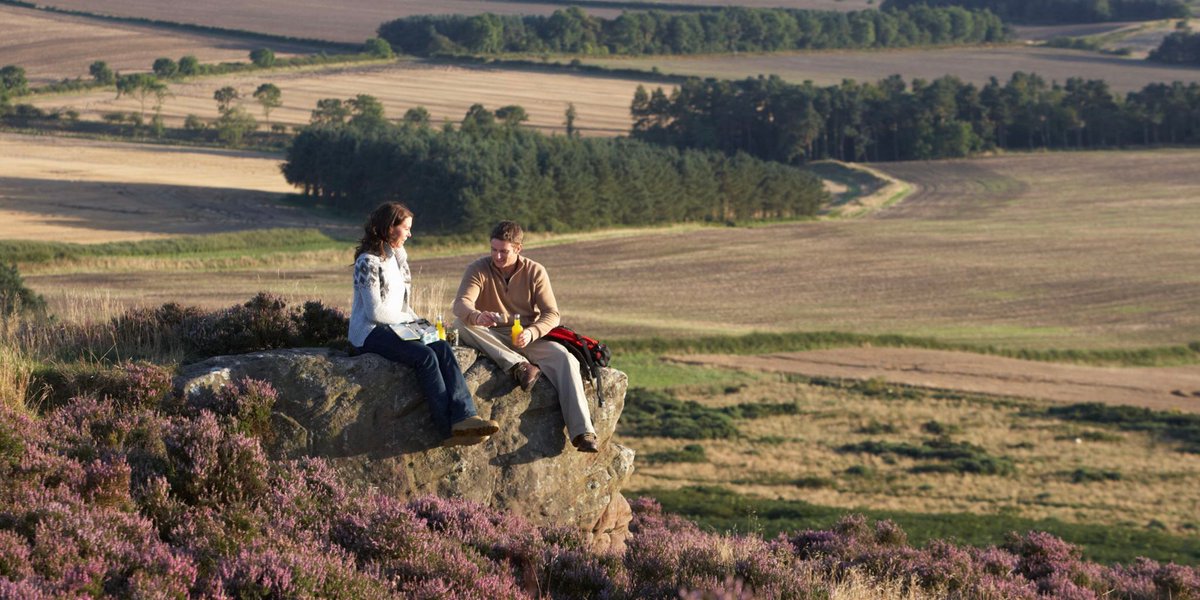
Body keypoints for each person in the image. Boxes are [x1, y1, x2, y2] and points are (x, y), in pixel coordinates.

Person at [349, 202, 499, 447]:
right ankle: (447, 430)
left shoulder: (399, 259)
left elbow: (404, 307)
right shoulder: (367, 262)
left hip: (397, 326)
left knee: (440, 345)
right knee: (425, 356)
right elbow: (375, 312)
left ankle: (466, 416)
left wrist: (422, 324)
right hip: (369, 333)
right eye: (406, 228)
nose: (410, 234)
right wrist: (410, 321)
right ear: (389, 228)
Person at [452, 220, 599, 453]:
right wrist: (477, 316)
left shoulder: (535, 271)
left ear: (518, 249)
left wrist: (532, 332)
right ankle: (519, 366)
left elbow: (552, 314)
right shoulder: (478, 268)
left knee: (565, 359)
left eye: (504, 251)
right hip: (491, 334)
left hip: (528, 335)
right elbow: (461, 304)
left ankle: (583, 432)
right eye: (494, 250)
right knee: (461, 324)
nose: (497, 256)